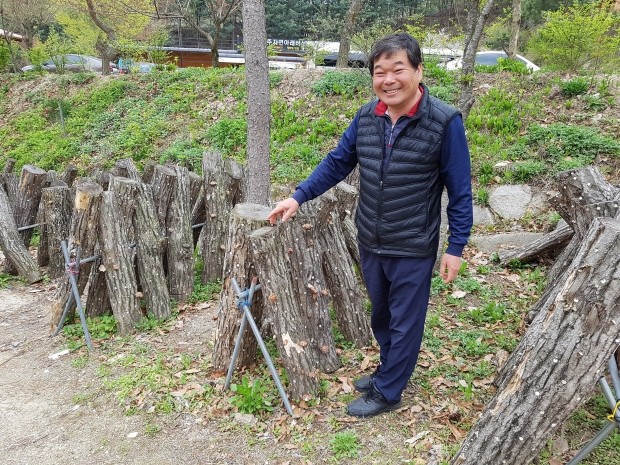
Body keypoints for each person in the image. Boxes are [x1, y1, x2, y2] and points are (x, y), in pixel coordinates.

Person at [267, 33, 473, 418]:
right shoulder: (367, 116)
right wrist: (297, 197)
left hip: (413, 243)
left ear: (418, 71)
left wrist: (456, 246)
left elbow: (459, 190)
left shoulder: (445, 122)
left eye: (399, 69)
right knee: (382, 315)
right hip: (371, 237)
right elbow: (336, 162)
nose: (389, 80)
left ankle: (389, 391)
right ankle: (387, 370)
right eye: (380, 72)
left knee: (405, 321)